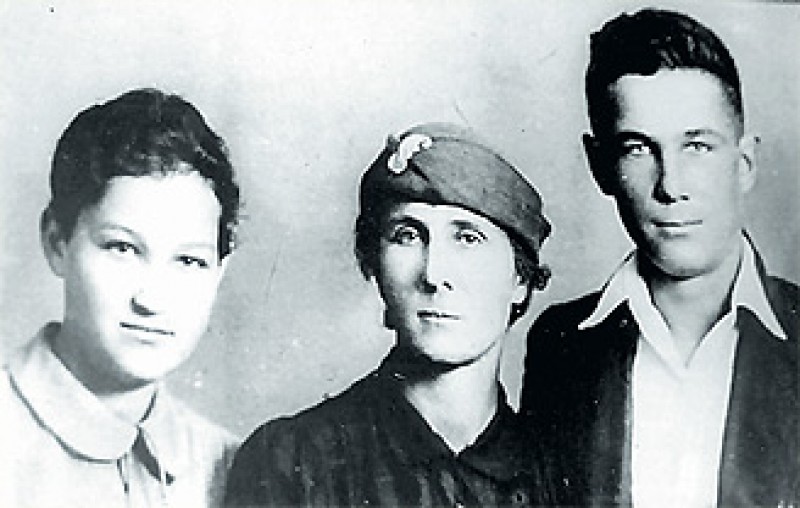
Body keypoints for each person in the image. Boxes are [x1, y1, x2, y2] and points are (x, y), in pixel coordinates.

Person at [520, 8, 798, 507]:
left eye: (697, 146)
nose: (671, 186)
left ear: (745, 163)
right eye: (638, 148)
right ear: (600, 166)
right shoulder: (559, 346)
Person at [225, 122, 555, 506]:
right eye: (407, 235)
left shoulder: (557, 472)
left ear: (520, 279)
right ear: (375, 265)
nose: (434, 274)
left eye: (467, 238)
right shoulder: (293, 462)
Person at [0, 88, 242, 507]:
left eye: (189, 260)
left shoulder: (231, 466)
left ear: (219, 272)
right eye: (122, 248)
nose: (152, 300)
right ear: (57, 242)